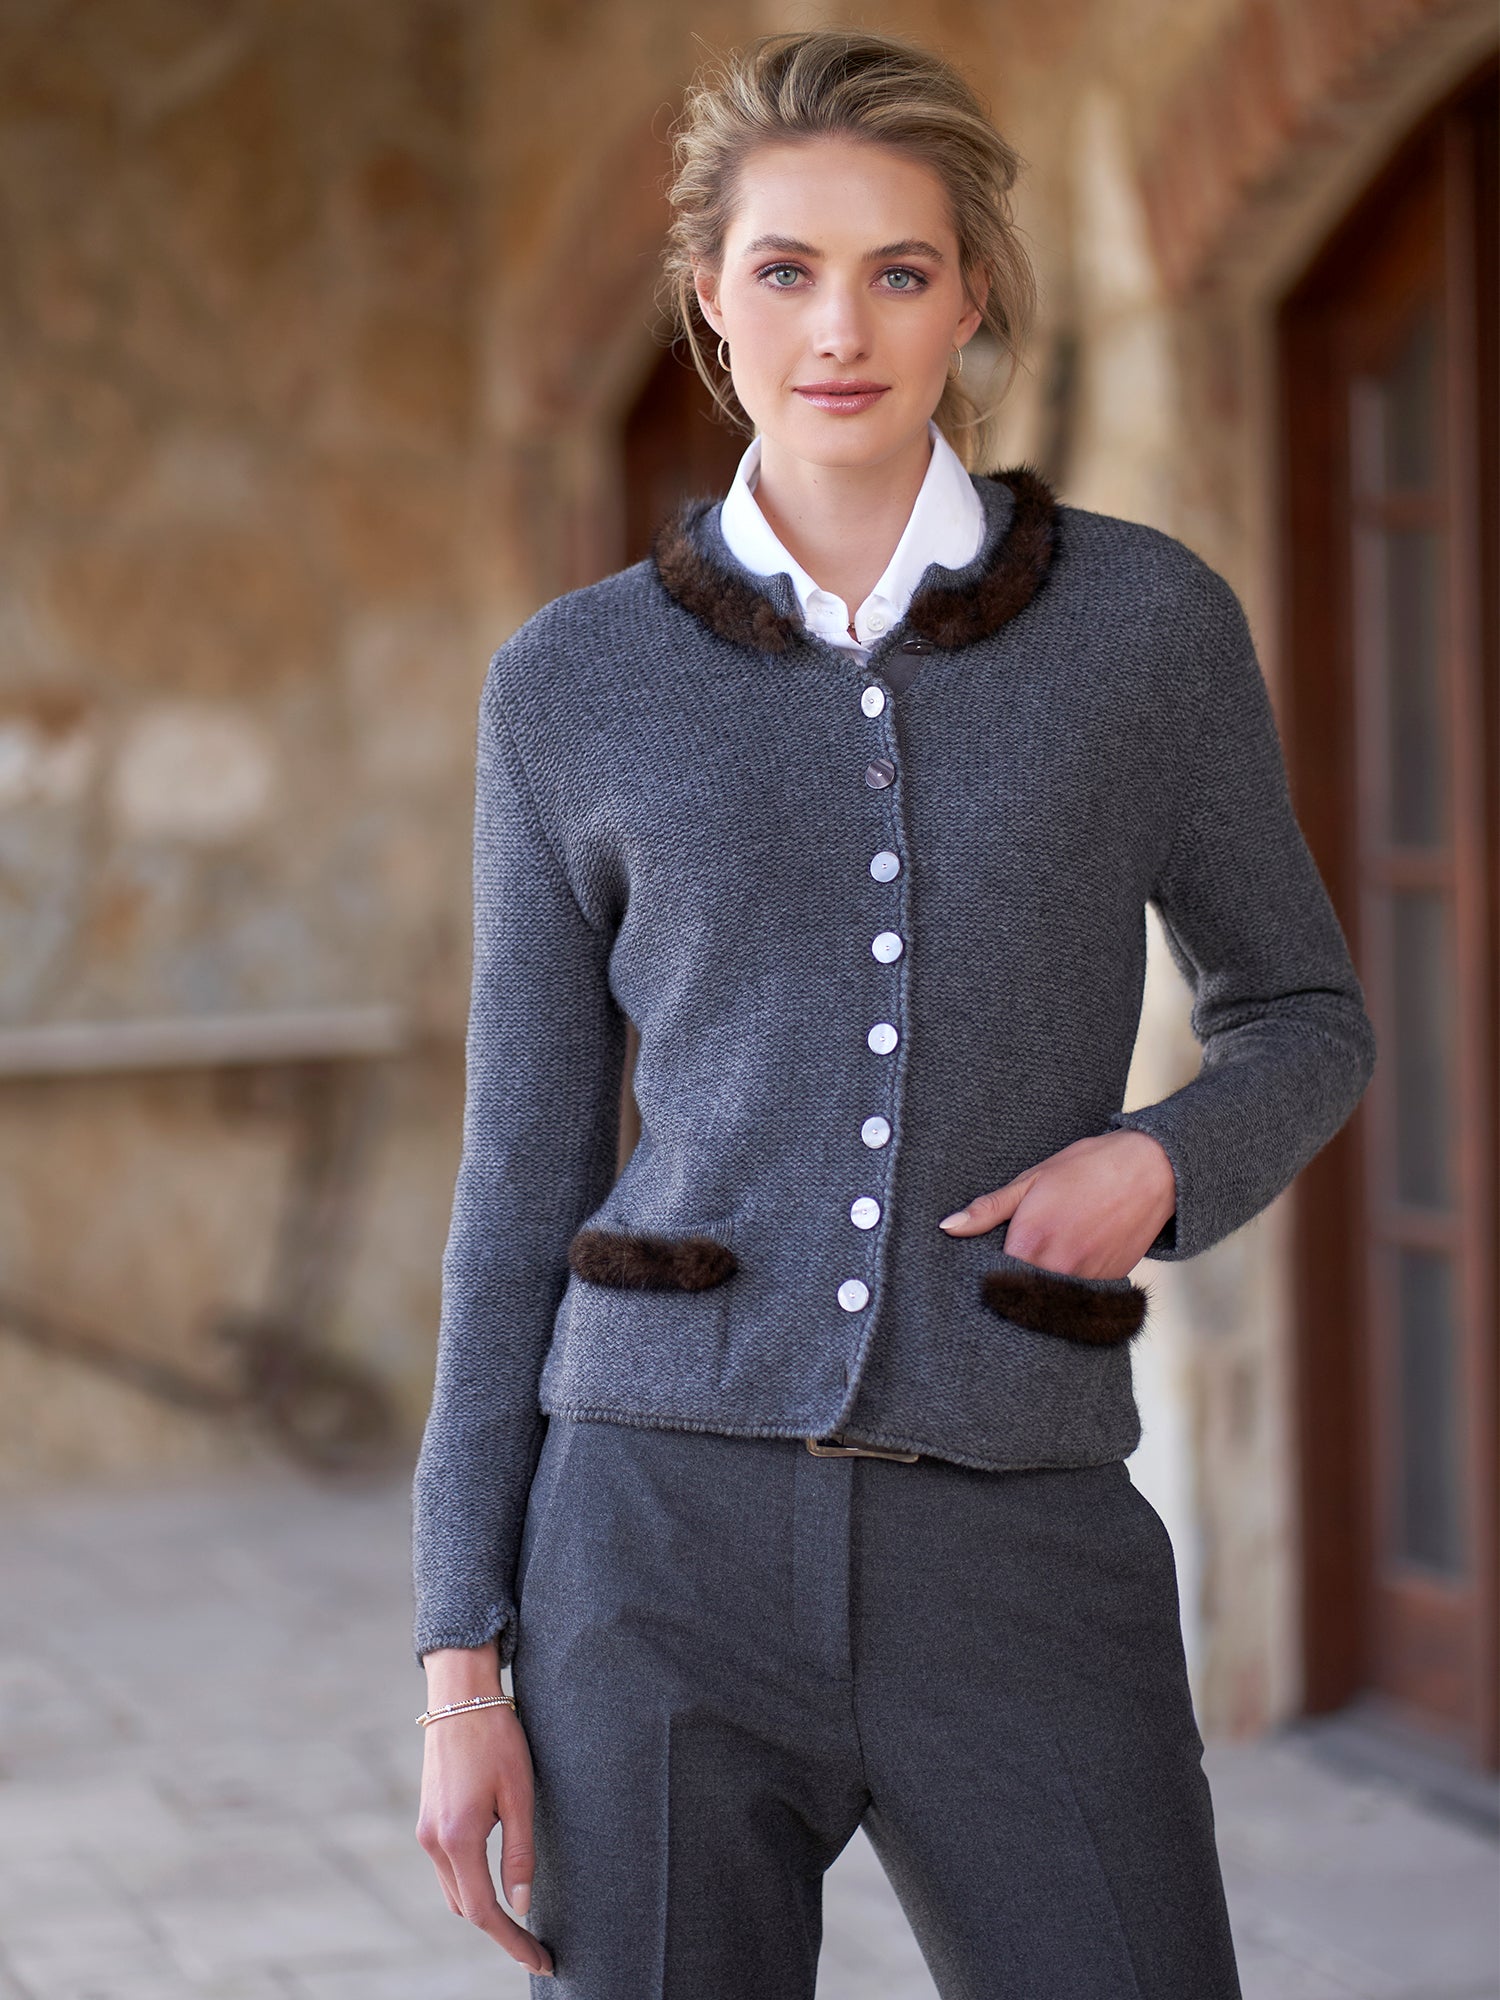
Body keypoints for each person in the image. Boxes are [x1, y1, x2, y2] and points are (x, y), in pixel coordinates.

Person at [410, 27, 1376, 1999]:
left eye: (899, 270)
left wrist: (1158, 1163)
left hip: (1018, 1529)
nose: (839, 328)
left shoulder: (1145, 628)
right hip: (649, 1551)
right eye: (785, 269)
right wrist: (459, 1666)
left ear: (973, 293)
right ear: (710, 294)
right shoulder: (571, 683)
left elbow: (1303, 1012)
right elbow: (517, 1175)